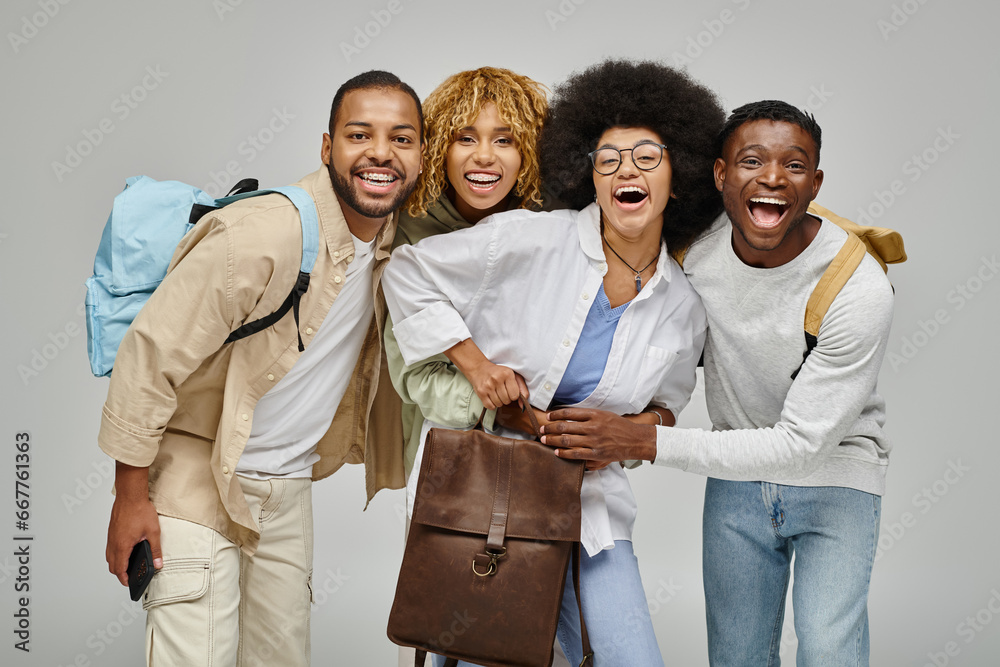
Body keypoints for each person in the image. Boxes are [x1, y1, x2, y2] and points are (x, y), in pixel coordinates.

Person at [382, 59, 725, 666]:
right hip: (491, 498)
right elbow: (407, 271)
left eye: (648, 156)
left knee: (631, 659)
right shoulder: (531, 238)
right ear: (586, 176)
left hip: (591, 506)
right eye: (608, 158)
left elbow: (667, 408)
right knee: (492, 648)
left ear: (682, 175)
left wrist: (627, 435)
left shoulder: (683, 305)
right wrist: (477, 366)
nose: (628, 170)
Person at [542, 101, 894, 666]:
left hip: (837, 479)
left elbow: (801, 446)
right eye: (751, 161)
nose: (773, 178)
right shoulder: (693, 255)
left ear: (816, 181)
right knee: (737, 657)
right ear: (719, 175)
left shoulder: (858, 288)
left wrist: (641, 439)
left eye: (794, 165)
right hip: (736, 485)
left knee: (829, 647)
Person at [99, 70, 422, 666]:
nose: (381, 152)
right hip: (200, 476)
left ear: (420, 157)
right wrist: (130, 498)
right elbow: (148, 356)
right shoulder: (262, 233)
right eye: (360, 134)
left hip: (286, 488)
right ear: (327, 149)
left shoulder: (396, 241)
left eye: (402, 139)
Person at [385, 66, 549, 485]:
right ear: (440, 146)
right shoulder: (408, 231)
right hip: (450, 456)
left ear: (529, 149)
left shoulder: (553, 228)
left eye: (505, 139)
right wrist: (503, 410)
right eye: (465, 137)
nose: (484, 156)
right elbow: (413, 375)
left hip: (553, 456)